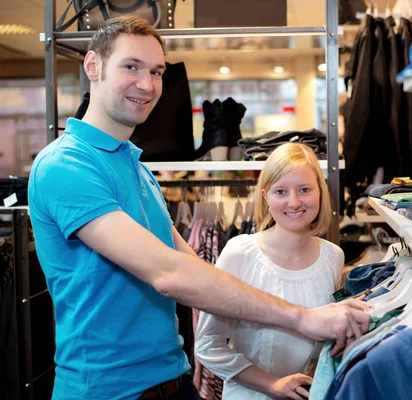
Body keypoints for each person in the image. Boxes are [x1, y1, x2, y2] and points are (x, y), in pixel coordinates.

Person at [28, 16, 370, 400]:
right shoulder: (66, 165)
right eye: (131, 66)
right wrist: (302, 317)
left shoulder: (137, 168)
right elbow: (169, 274)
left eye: (156, 71)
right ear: (93, 66)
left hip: (174, 379)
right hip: (107, 391)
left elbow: (193, 267)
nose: (147, 84)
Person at [195, 143, 344, 400]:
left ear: (321, 192)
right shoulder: (240, 253)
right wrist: (271, 384)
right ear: (265, 197)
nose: (294, 201)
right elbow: (208, 344)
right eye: (281, 191)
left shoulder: (333, 256)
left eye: (305, 189)